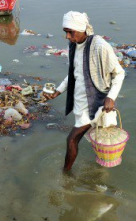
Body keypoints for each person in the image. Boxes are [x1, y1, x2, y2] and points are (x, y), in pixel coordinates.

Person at [43, 11, 125, 171]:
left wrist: (111, 97)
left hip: (95, 102)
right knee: (99, 139)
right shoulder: (74, 46)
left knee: (72, 140)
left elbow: (119, 73)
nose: (67, 36)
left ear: (82, 29)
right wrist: (58, 91)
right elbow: (74, 74)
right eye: (65, 32)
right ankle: (101, 174)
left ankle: (66, 175)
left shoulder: (100, 46)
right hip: (81, 101)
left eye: (70, 32)